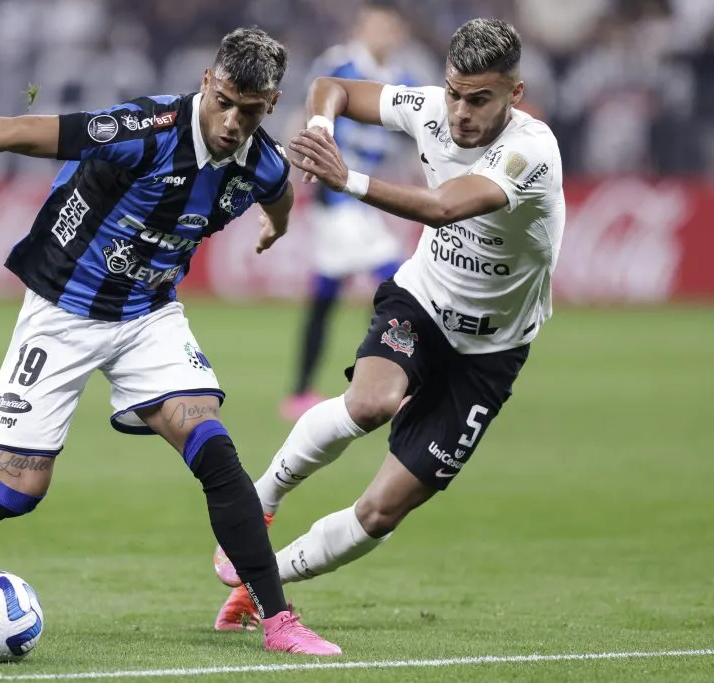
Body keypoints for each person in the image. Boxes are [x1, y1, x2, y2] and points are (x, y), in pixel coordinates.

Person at [0, 27, 340, 656]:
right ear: (207, 81)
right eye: (224, 101)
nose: (233, 121)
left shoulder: (261, 160)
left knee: (214, 449)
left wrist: (272, 227)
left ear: (271, 105)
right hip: (61, 313)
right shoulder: (143, 129)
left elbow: (279, 192)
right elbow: (20, 130)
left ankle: (277, 618)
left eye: (251, 111)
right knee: (20, 491)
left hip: (148, 316)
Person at [212, 18, 565, 629]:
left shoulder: (531, 151)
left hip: (490, 353)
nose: (459, 112)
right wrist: (322, 127)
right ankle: (261, 500)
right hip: (420, 302)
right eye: (453, 92)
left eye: (479, 99)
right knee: (370, 403)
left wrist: (344, 177)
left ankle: (262, 579)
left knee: (380, 513)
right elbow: (333, 87)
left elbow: (445, 206)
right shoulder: (430, 107)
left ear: (516, 93)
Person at [280, 1, 413, 423]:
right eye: (374, 26)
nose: (381, 35)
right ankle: (392, 381)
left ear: (399, 33)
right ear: (360, 28)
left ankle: (300, 391)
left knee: (326, 293)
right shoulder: (338, 65)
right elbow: (308, 113)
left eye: (388, 28)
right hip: (336, 197)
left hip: (363, 195)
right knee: (397, 283)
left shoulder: (402, 81)